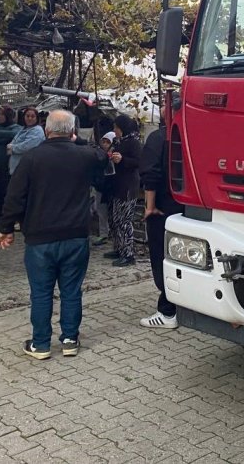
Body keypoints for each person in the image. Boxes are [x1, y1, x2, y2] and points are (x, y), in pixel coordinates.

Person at [0, 110, 107, 360]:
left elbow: (14, 196)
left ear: (46, 130)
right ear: (72, 131)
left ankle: (40, 344)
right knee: (71, 290)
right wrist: (77, 139)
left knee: (41, 292)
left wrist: (6, 228)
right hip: (76, 236)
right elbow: (102, 156)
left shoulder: (33, 158)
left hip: (40, 238)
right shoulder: (84, 155)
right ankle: (70, 339)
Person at [139, 122, 184, 329]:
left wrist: (149, 206)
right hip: (188, 207)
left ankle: (167, 311)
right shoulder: (194, 131)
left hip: (163, 208)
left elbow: (151, 174)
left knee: (162, 257)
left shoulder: (159, 138)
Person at [104, 114, 141, 267]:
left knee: (124, 221)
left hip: (127, 187)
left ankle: (128, 253)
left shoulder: (133, 142)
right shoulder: (120, 142)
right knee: (115, 219)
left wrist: (123, 160)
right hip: (117, 185)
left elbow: (139, 161)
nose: (115, 131)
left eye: (116, 128)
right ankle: (120, 248)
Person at [90, 131, 115, 246]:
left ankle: (111, 233)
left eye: (107, 142)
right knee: (101, 211)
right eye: (103, 141)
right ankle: (104, 233)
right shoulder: (98, 154)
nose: (105, 144)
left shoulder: (115, 154)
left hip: (111, 187)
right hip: (100, 186)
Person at [8, 107, 46, 176]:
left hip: (26, 170)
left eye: (32, 116)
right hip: (16, 168)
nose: (30, 118)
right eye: (27, 116)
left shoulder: (37, 130)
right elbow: (14, 141)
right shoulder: (23, 129)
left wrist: (12, 148)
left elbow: (27, 146)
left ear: (37, 118)